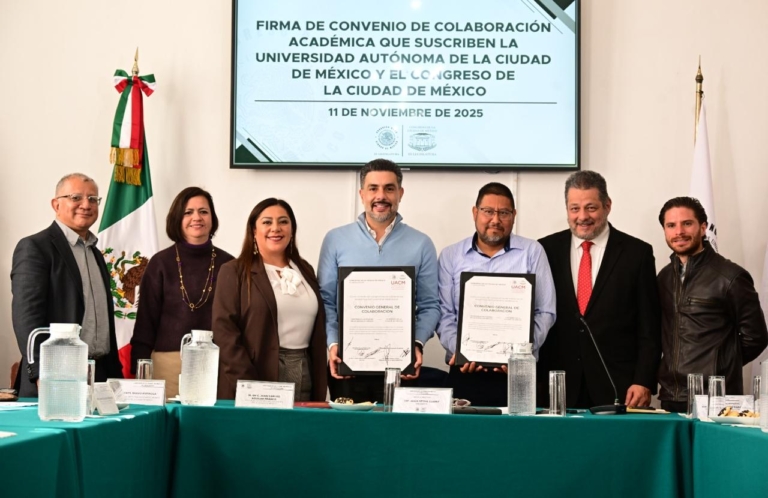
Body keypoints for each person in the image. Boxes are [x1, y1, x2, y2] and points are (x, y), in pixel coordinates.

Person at [318, 159, 440, 403]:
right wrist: (333, 343)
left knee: (396, 427)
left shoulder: (421, 243)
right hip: (347, 365)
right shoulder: (335, 240)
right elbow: (326, 301)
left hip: (400, 367)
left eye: (389, 188)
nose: (381, 196)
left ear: (400, 193)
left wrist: (416, 344)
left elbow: (430, 305)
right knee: (349, 427)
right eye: (373, 188)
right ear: (362, 193)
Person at [537, 171, 661, 408]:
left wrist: (643, 380)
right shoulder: (545, 250)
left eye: (591, 208)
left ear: (607, 205)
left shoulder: (637, 254)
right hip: (557, 386)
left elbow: (650, 327)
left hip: (618, 386)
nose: (582, 216)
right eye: (574, 209)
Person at [437, 182, 556, 406]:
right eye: (488, 211)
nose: (495, 219)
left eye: (504, 213)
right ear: (475, 212)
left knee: (518, 429)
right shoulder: (450, 256)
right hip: (464, 370)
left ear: (514, 216)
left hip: (518, 373)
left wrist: (520, 353)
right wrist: (461, 352)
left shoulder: (532, 252)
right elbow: (444, 315)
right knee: (461, 429)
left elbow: (545, 312)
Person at [11, 173, 123, 397]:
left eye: (93, 199)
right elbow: (26, 318)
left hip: (100, 376)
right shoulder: (35, 247)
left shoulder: (96, 253)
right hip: (56, 377)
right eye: (76, 197)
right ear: (56, 204)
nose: (86, 205)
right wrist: (43, 373)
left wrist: (115, 376)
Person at [656, 196, 768, 412]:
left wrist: (721, 367)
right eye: (671, 225)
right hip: (671, 397)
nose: (679, 231)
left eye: (687, 223)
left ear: (703, 227)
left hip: (718, 399)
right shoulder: (664, 277)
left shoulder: (730, 277)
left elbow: (756, 337)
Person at [213, 198, 327, 401]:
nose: (276, 228)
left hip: (305, 371)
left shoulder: (305, 269)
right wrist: (249, 384)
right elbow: (224, 332)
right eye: (267, 222)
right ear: (254, 230)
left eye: (283, 222)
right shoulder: (234, 271)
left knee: (303, 423)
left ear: (292, 229)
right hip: (256, 374)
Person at [130, 187, 233, 397]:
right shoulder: (160, 263)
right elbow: (146, 322)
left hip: (216, 363)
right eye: (188, 212)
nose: (197, 218)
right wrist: (138, 369)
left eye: (203, 211)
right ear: (178, 218)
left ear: (212, 218)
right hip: (167, 363)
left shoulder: (230, 264)